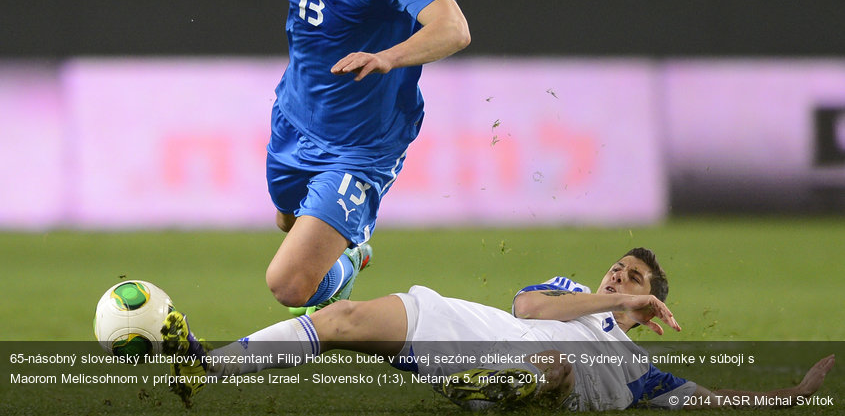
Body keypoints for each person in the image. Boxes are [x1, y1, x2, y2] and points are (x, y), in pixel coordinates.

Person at [92, 0, 471, 313]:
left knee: (290, 286)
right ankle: (343, 257)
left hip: (362, 145)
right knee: (287, 223)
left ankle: (350, 264)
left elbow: (453, 27)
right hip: (295, 120)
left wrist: (389, 57)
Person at [159, 247, 836, 410]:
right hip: (467, 326)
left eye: (634, 279)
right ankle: (203, 366)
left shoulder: (643, 372)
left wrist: (791, 396)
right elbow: (525, 310)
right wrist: (600, 297)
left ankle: (494, 391)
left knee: (555, 370)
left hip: (536, 377)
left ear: (653, 309)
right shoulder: (568, 293)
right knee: (340, 317)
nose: (619, 277)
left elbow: (714, 403)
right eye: (617, 268)